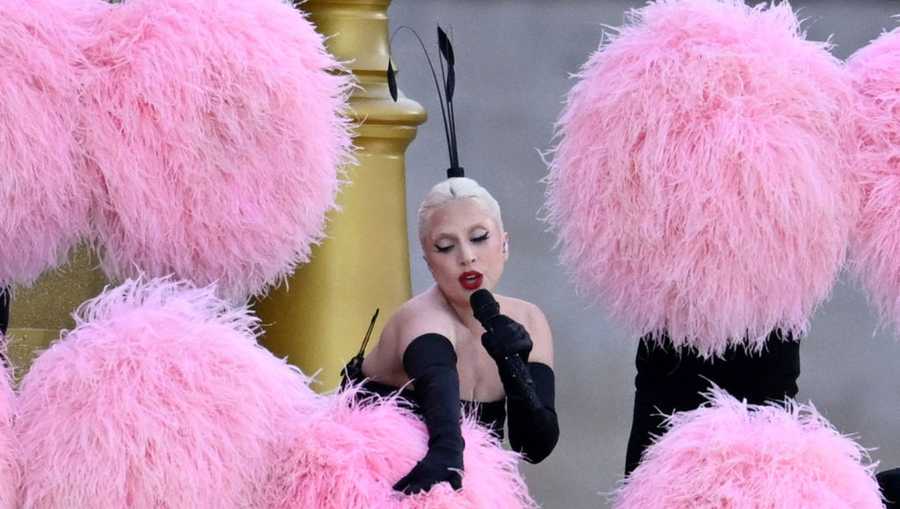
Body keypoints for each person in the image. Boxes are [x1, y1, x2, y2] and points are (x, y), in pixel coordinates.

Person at [343, 177, 559, 495]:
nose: (466, 256)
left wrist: (514, 371)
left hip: (464, 491)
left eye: (479, 237)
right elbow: (446, 441)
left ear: (505, 243)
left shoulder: (529, 319)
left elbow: (535, 446)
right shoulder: (420, 319)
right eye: (445, 246)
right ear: (428, 262)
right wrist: (447, 460)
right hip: (369, 484)